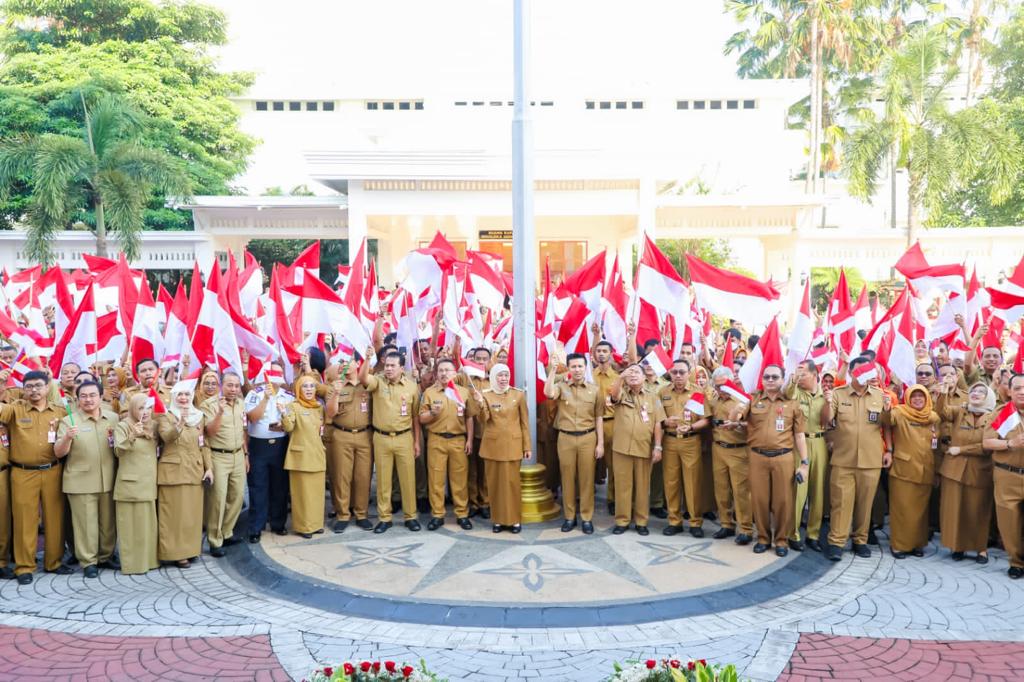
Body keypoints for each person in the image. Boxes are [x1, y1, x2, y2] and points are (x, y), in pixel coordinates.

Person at [0, 370, 72, 584]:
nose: (34, 390)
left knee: (54, 518)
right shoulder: (15, 409)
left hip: (53, 470)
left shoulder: (60, 411)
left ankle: (54, 562)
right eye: (29, 386)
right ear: (23, 388)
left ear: (47, 387)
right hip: (23, 473)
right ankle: (24, 567)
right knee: (25, 520)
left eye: (38, 386)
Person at [732, 364, 808, 556]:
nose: (770, 380)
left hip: (783, 457)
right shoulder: (753, 399)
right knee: (759, 500)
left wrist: (805, 463)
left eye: (775, 377)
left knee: (783, 501)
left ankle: (781, 540)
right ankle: (763, 538)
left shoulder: (792, 402)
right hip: (758, 457)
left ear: (783, 379)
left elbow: (799, 436)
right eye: (767, 377)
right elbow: (734, 418)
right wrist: (738, 407)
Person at [821, 357, 892, 562]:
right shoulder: (837, 394)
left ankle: (860, 540)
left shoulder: (880, 395)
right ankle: (836, 542)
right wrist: (826, 402)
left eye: (868, 371)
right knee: (840, 503)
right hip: (844, 459)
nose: (865, 375)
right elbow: (826, 420)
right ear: (851, 372)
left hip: (871, 460)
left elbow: (886, 425)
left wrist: (890, 450)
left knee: (865, 503)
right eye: (860, 370)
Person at [54, 381, 120, 578]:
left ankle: (106, 556)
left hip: (108, 478)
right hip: (80, 480)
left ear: (100, 397)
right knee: (85, 524)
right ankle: (88, 561)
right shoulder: (69, 421)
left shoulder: (113, 418)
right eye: (83, 396)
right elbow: (58, 452)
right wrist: (66, 438)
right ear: (77, 399)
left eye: (93, 395)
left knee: (108, 522)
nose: (88, 399)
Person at [360, 349, 422, 534]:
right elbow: (364, 379)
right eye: (386, 365)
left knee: (408, 480)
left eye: (392, 366)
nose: (388, 369)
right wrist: (368, 358)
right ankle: (384, 518)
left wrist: (417, 442)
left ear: (402, 368)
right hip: (381, 438)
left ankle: (410, 517)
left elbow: (415, 417)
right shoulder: (378, 381)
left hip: (404, 437)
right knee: (383, 481)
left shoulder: (412, 386)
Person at [545, 352, 604, 534]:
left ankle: (586, 517)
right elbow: (548, 393)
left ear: (585, 367)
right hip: (566, 438)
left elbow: (599, 417)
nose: (577, 370)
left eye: (580, 366)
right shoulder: (562, 386)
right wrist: (553, 370)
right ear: (568, 368)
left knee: (586, 479)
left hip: (588, 437)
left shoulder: (594, 390)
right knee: (567, 478)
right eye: (573, 366)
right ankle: (569, 517)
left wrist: (600, 443)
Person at [157, 382, 213, 569]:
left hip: (195, 471)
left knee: (192, 515)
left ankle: (191, 550)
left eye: (186, 395)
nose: (183, 398)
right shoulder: (167, 415)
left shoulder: (199, 417)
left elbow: (203, 444)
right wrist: (179, 424)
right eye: (179, 395)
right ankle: (175, 554)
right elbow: (166, 437)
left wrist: (209, 468)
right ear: (173, 397)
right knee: (173, 515)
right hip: (173, 472)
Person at [937, 381, 994, 564]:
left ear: (989, 396)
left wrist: (960, 450)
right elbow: (942, 412)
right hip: (953, 470)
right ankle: (957, 546)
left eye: (981, 391)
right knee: (955, 510)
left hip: (980, 471)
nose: (976, 393)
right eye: (973, 390)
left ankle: (981, 549)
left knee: (978, 510)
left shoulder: (994, 417)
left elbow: (986, 446)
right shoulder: (961, 410)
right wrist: (943, 393)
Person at [419, 358, 477, 530]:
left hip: (458, 440)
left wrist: (470, 440)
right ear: (437, 373)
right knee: (436, 479)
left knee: (459, 479)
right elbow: (421, 418)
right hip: (436, 439)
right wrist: (432, 413)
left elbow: (469, 417)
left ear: (455, 373)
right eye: (441, 370)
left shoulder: (463, 392)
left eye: (447, 370)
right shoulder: (430, 392)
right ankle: (437, 514)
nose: (444, 373)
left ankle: (462, 513)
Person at [608, 364, 665, 535]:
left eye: (636, 372)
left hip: (643, 448)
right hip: (622, 448)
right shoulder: (622, 393)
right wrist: (620, 377)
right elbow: (614, 395)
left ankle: (641, 521)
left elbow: (657, 423)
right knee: (622, 486)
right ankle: (622, 520)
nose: (633, 375)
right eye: (630, 372)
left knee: (642, 487)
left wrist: (658, 446)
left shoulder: (653, 397)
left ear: (644, 377)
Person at [473, 364, 530, 533]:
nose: (504, 378)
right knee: (494, 484)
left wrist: (527, 446)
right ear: (493, 377)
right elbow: (483, 419)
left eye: (506, 375)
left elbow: (524, 423)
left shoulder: (518, 394)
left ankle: (514, 520)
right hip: (493, 447)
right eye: (500, 375)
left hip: (513, 446)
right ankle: (497, 520)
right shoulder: (486, 395)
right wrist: (480, 404)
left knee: (512, 484)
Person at [886, 384, 940, 559]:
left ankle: (917, 543)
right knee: (902, 509)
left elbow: (936, 445)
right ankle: (899, 545)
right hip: (904, 469)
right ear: (908, 398)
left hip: (926, 469)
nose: (918, 399)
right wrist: (885, 409)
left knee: (920, 511)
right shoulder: (899, 412)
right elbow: (886, 421)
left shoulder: (933, 418)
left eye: (921, 396)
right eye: (914, 396)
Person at [658, 359, 708, 538]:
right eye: (674, 372)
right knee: (671, 482)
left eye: (681, 372)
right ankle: (674, 521)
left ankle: (695, 522)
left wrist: (692, 427)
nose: (678, 376)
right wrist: (665, 422)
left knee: (693, 482)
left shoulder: (698, 392)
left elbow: (706, 419)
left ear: (688, 373)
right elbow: (657, 418)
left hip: (690, 441)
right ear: (670, 374)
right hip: (670, 441)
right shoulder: (663, 392)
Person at [200, 370, 247, 557]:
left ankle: (226, 532)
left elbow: (243, 430)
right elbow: (209, 432)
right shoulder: (209, 405)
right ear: (222, 386)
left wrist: (246, 454)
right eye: (229, 385)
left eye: (236, 385)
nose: (233, 389)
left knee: (236, 497)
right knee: (218, 500)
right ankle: (214, 540)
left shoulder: (241, 404)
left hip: (238, 455)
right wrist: (220, 412)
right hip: (219, 456)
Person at [281, 373, 335, 537]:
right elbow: (289, 427)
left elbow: (325, 426)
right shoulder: (293, 406)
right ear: (299, 389)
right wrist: (283, 414)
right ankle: (304, 527)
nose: (309, 389)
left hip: (317, 453)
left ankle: (316, 524)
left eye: (312, 386)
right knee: (302, 495)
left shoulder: (319, 407)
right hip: (300, 457)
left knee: (317, 493)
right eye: (305, 386)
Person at [244, 364, 294, 541]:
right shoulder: (255, 394)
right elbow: (252, 418)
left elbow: (292, 421)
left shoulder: (288, 396)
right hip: (258, 446)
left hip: (280, 444)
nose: (276, 377)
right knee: (258, 486)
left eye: (279, 373)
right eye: (272, 373)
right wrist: (265, 398)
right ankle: (256, 527)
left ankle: (278, 523)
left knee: (279, 486)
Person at [983, 373, 1024, 579]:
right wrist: (1010, 443)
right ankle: (1016, 563)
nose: (1022, 391)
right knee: (1010, 524)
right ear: (1009, 391)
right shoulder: (1003, 414)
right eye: (1017, 388)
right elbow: (987, 443)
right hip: (1008, 475)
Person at [113, 393, 159, 575]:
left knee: (147, 526)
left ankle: (150, 561)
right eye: (140, 408)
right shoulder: (124, 426)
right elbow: (118, 451)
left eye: (148, 407)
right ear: (132, 409)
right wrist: (132, 435)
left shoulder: (154, 426)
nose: (145, 412)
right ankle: (132, 565)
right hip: (130, 484)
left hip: (149, 483)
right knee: (129, 527)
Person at [707, 366, 753, 545]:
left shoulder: (742, 399)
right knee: (722, 489)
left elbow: (753, 424)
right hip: (718, 448)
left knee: (741, 492)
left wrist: (738, 423)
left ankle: (746, 529)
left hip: (738, 450)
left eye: (723, 385)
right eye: (717, 386)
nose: (720, 390)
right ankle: (726, 524)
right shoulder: (714, 400)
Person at [786, 360, 828, 552]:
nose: (799, 376)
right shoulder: (796, 392)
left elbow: (829, 420)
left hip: (819, 442)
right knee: (798, 490)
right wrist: (793, 380)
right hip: (799, 445)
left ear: (814, 374)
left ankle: (813, 534)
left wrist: (828, 401)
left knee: (817, 492)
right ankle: (792, 533)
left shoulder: (825, 395)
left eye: (802, 373)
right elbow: (787, 394)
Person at [591, 339, 620, 515]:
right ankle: (585, 499)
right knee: (587, 465)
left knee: (613, 465)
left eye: (604, 351)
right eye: (598, 350)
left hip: (611, 423)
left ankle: (613, 499)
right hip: (590, 424)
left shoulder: (617, 378)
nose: (601, 353)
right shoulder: (588, 375)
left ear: (610, 353)